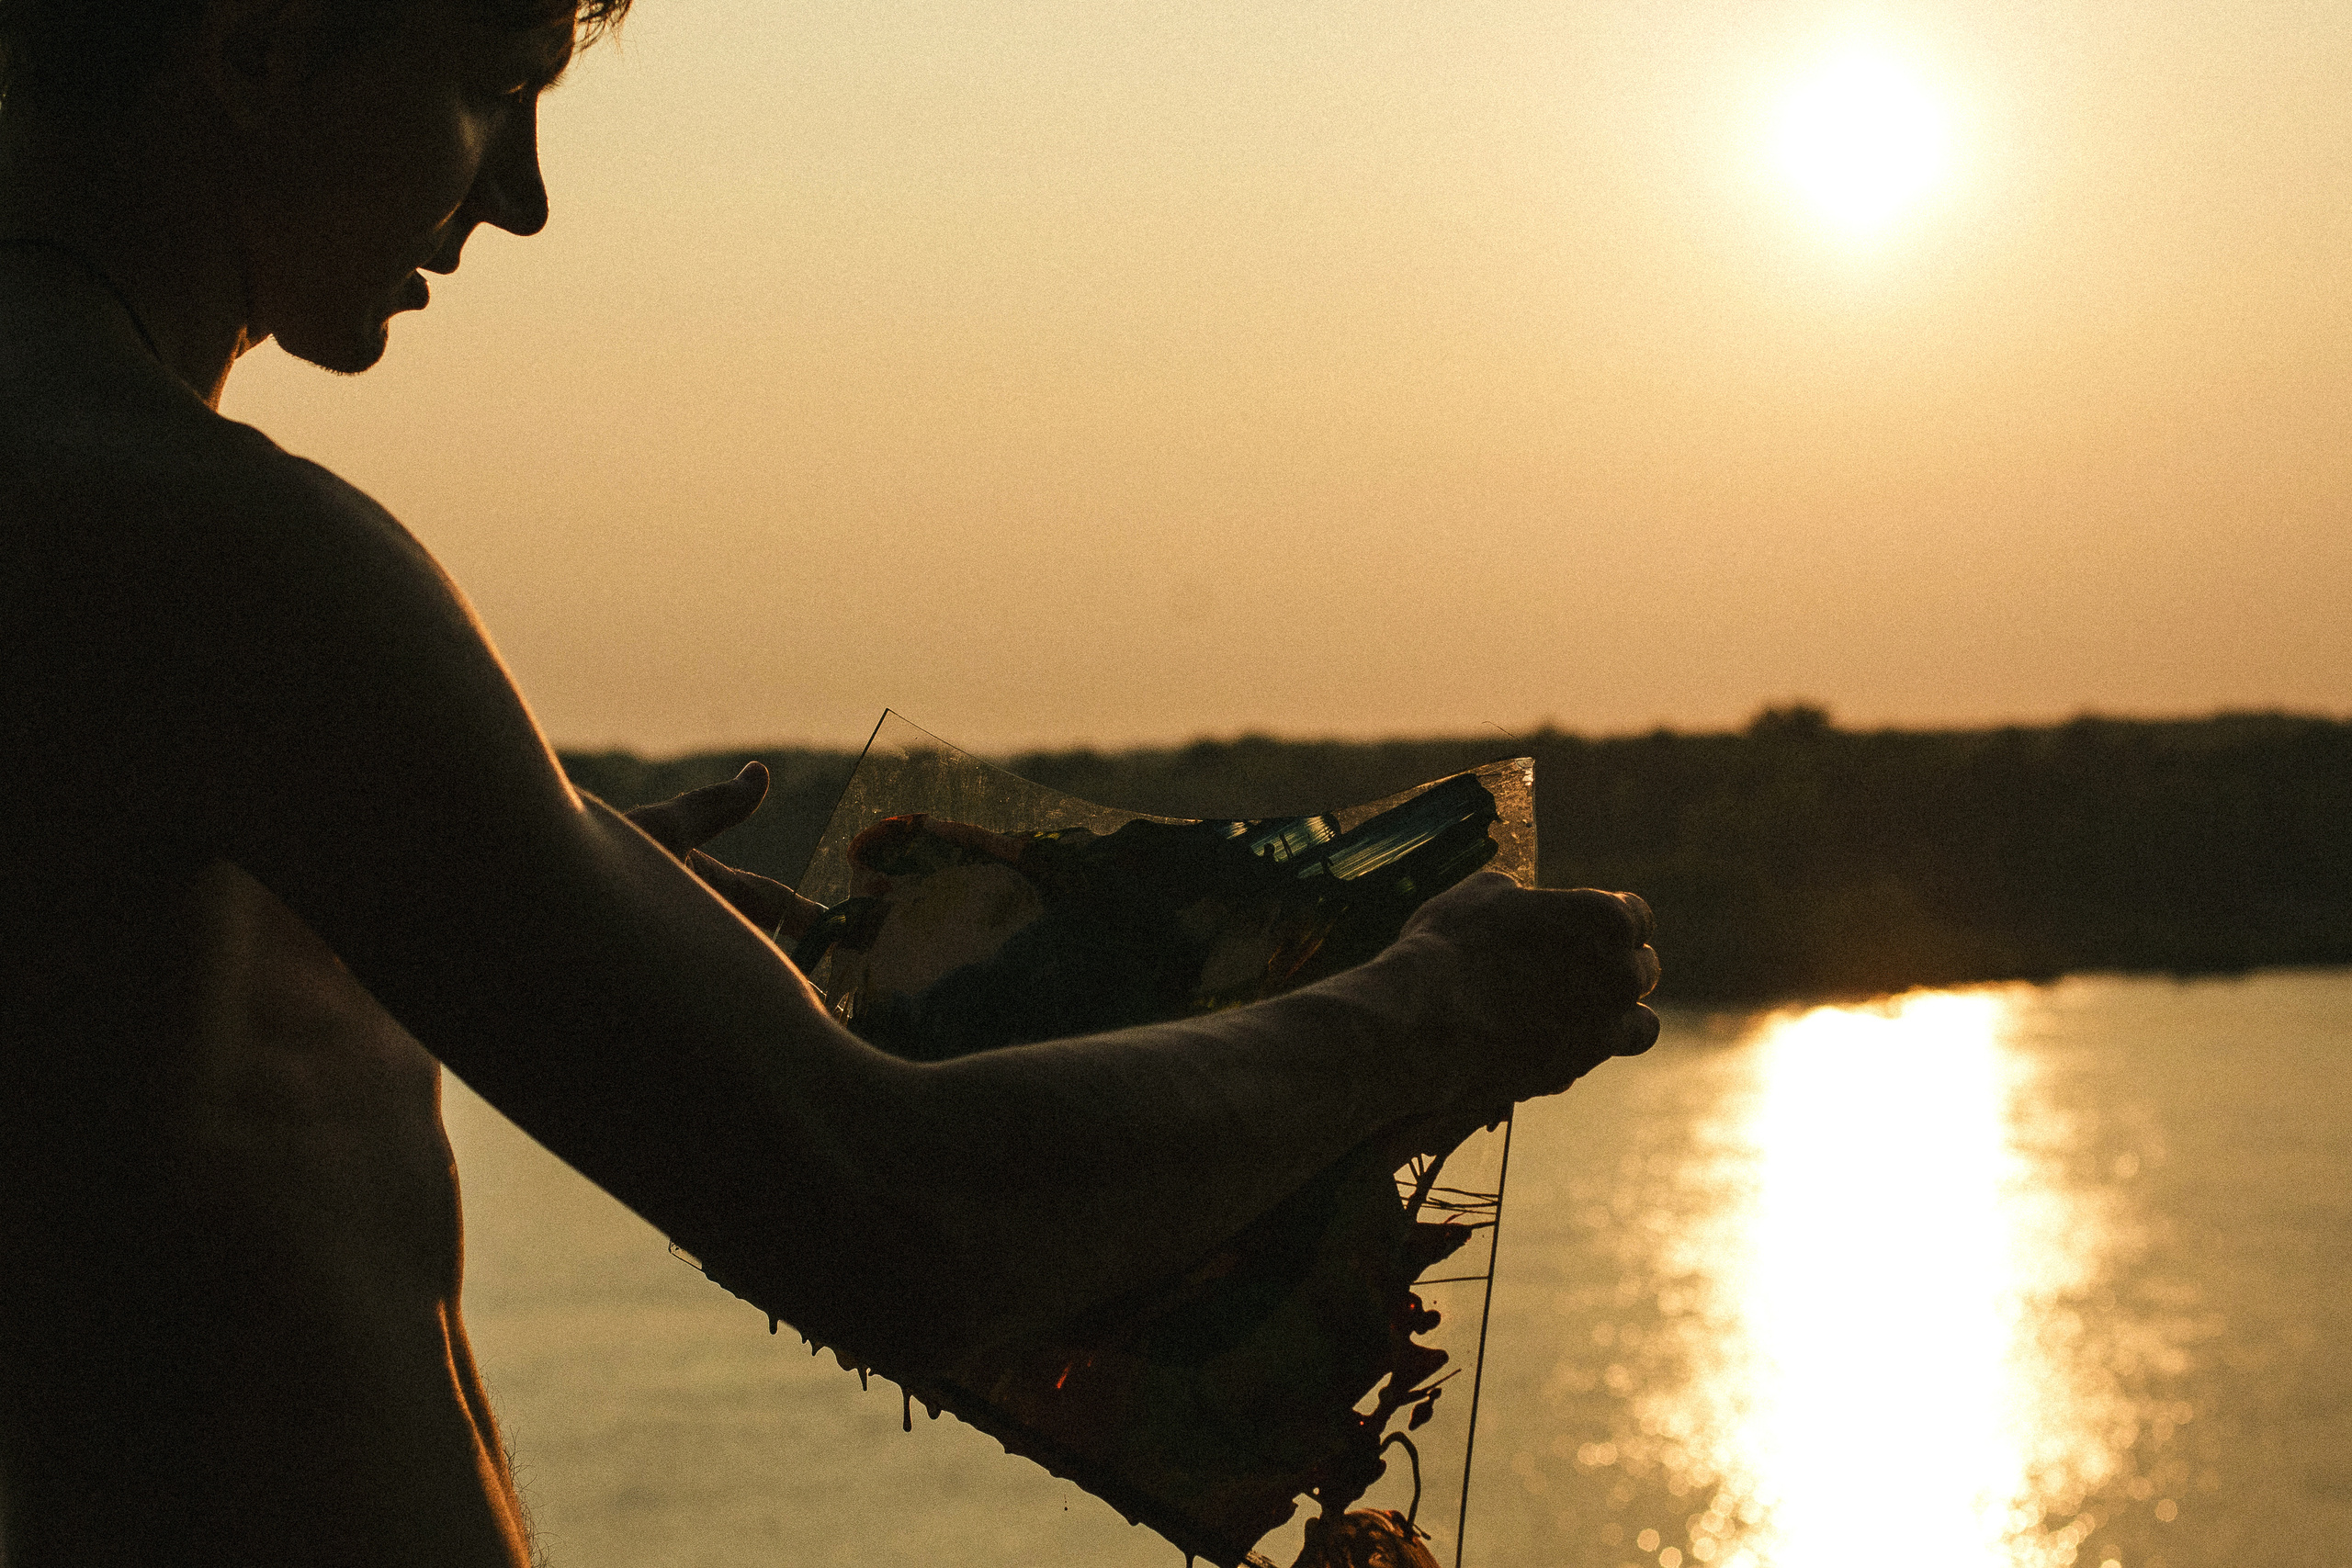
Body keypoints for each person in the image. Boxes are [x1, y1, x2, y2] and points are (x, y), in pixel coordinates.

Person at [0, 1, 1662, 1562]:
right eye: (491, 84)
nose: (519, 199)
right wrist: (1426, 1011)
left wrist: (473, 895)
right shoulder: (219, 555)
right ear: (259, 44)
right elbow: (891, 1215)